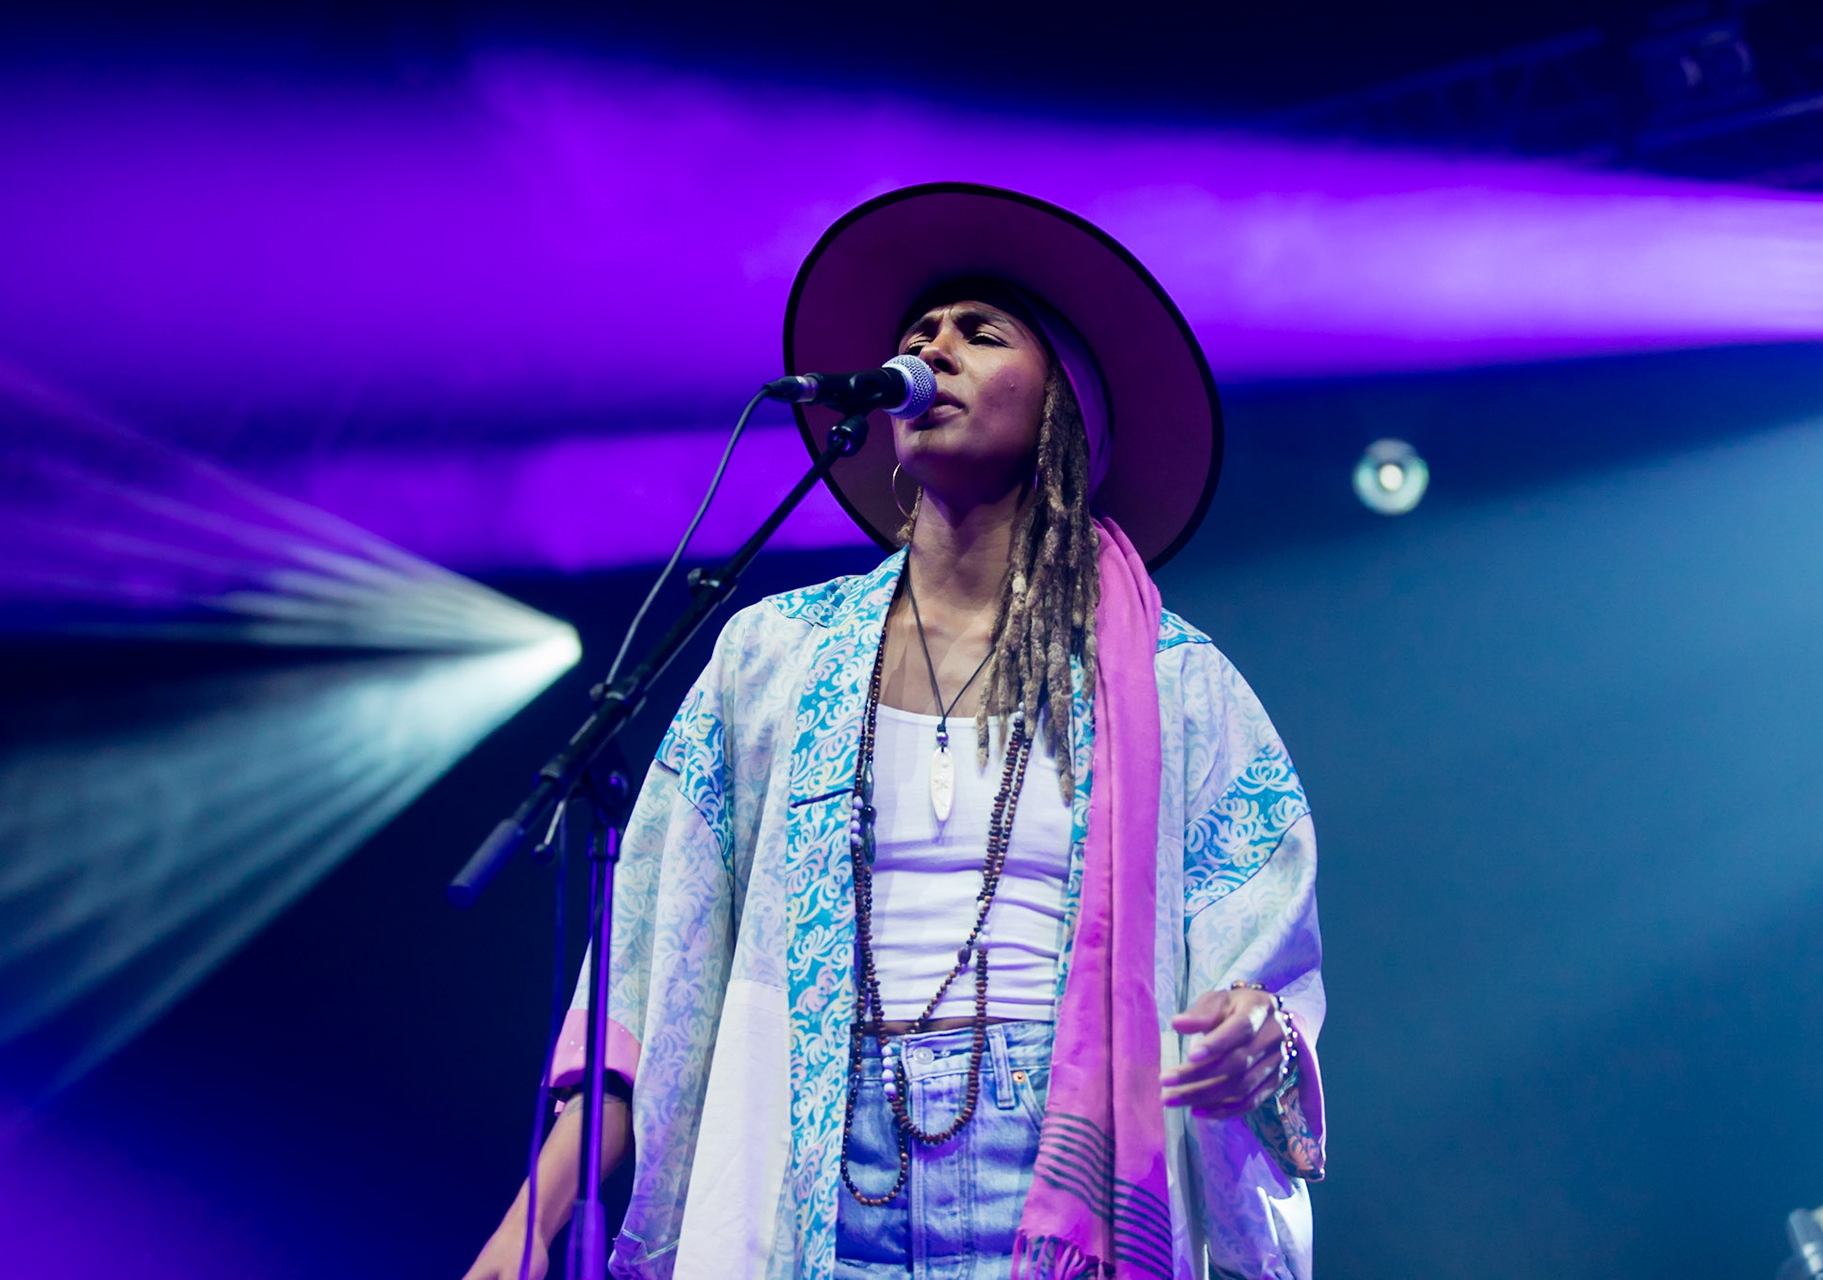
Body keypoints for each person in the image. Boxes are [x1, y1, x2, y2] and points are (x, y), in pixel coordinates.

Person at [464, 184, 1325, 1280]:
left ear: (1066, 405)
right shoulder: (774, 656)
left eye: (981, 333)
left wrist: (1261, 1030)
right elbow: (648, 960)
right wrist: (528, 1220)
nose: (934, 351)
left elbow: (1264, 958)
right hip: (817, 1167)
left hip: (1056, 1177)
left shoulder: (1175, 681)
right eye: (917, 337)